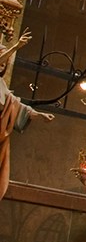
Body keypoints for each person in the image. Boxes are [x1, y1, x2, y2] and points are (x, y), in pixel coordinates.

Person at [0, 29, 53, 203]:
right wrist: (15, 47)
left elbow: (16, 105)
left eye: (4, 64)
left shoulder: (2, 86)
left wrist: (38, 115)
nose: (2, 65)